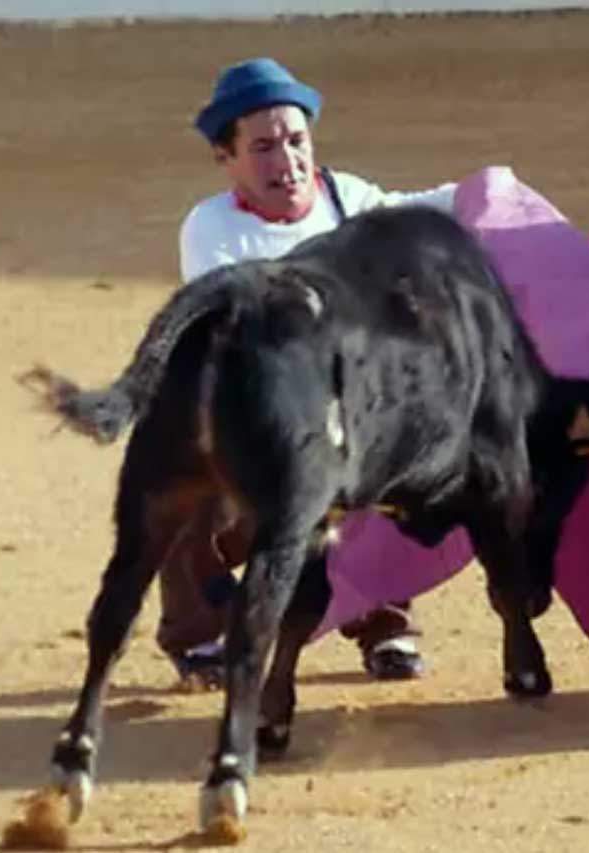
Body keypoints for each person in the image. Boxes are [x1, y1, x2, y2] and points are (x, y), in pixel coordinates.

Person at [159, 57, 458, 686]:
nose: (287, 161)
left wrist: (487, 194)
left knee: (389, 467)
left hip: (345, 403)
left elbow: (430, 212)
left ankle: (385, 625)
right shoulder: (211, 227)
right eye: (263, 147)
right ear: (227, 158)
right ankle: (203, 635)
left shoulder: (350, 198)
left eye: (297, 141)